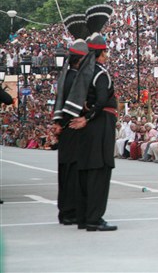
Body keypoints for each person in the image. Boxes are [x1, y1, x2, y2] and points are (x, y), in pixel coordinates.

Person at [69, 4, 118, 232]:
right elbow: (102, 99)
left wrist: (84, 115)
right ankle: (94, 218)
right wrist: (89, 117)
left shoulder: (82, 72)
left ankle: (83, 217)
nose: (107, 56)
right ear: (100, 53)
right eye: (105, 52)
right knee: (100, 171)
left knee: (86, 171)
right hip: (100, 125)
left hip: (87, 129)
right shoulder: (100, 73)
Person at [51, 35, 89, 225]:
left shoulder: (65, 76)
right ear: (80, 60)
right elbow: (81, 106)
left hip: (65, 128)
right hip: (73, 127)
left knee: (65, 170)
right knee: (73, 170)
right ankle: (71, 211)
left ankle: (65, 210)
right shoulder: (75, 79)